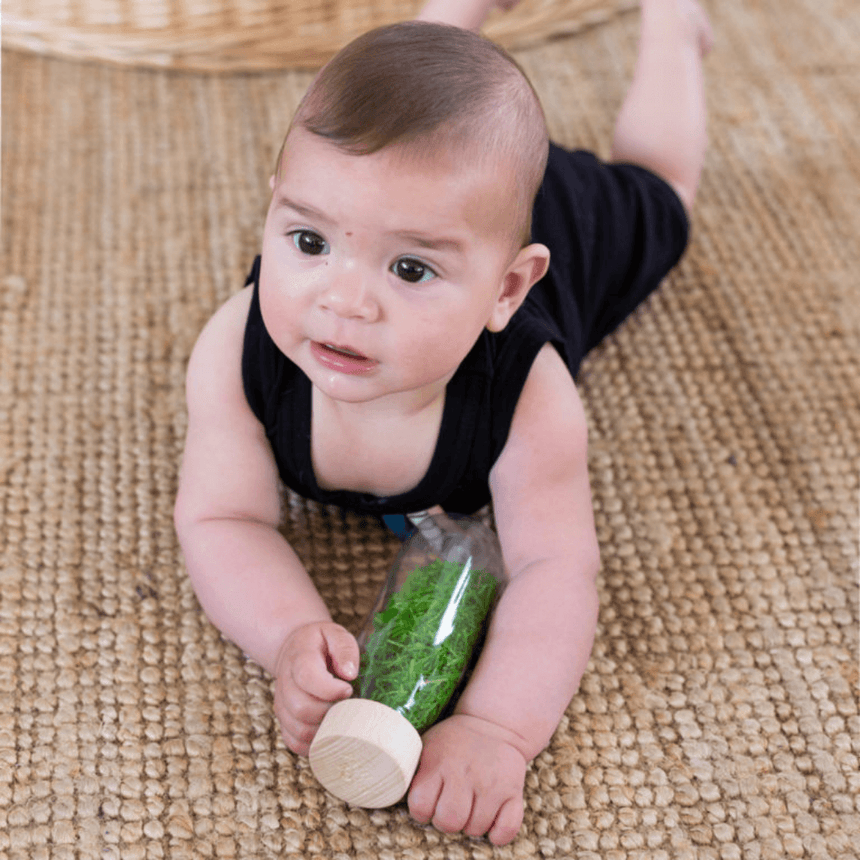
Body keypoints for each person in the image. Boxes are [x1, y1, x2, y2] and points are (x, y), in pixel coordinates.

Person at [174, 0, 712, 845]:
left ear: (506, 289)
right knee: (412, 109)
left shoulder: (527, 393)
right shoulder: (237, 350)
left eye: (410, 268)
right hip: (433, 196)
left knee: (661, 190)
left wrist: (500, 728)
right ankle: (449, 22)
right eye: (308, 242)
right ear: (274, 211)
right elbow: (220, 516)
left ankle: (675, 28)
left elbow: (555, 567)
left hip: (558, 219)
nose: (344, 301)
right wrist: (286, 637)